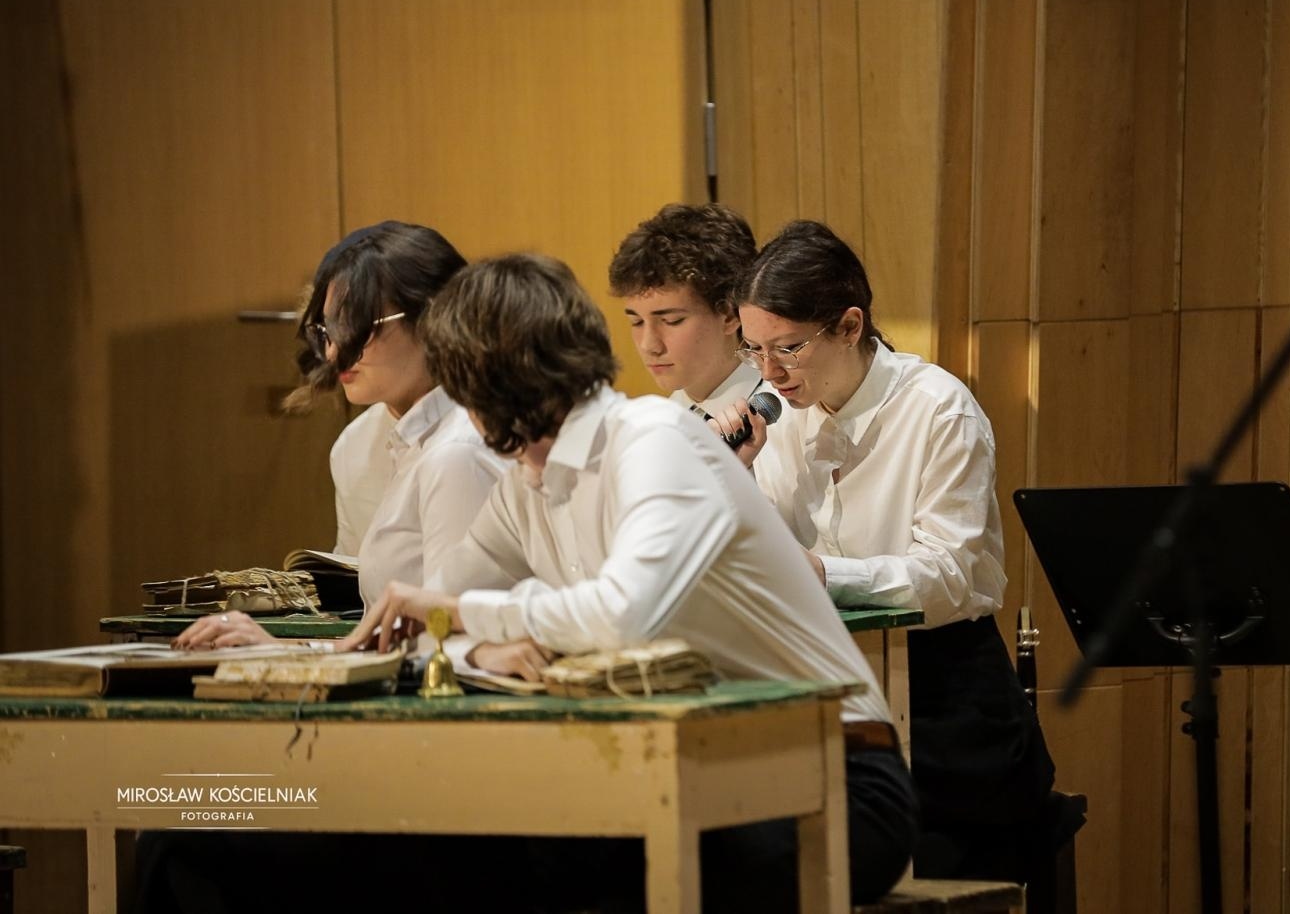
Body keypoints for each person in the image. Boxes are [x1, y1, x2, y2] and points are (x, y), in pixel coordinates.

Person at [338, 252, 917, 911]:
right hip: (680, 763)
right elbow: (420, 624)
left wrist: (466, 613)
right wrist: (476, 641)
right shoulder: (528, 485)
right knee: (419, 844)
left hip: (833, 779)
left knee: (490, 857)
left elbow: (620, 615)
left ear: (483, 386)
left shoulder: (653, 439)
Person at [709, 219, 1056, 883]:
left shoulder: (936, 409)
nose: (770, 371)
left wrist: (824, 573)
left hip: (945, 704)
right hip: (827, 690)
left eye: (789, 347)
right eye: (753, 350)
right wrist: (739, 477)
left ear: (848, 325)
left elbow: (952, 574)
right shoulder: (770, 420)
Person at [173, 221, 505, 649]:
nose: (333, 352)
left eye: (358, 325)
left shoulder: (462, 446)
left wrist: (291, 651)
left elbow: (449, 643)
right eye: (327, 332)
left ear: (435, 316)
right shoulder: (375, 442)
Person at [607, 202, 764, 419]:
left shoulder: (792, 418)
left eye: (671, 320)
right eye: (637, 322)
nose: (649, 346)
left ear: (729, 315)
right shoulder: (660, 424)